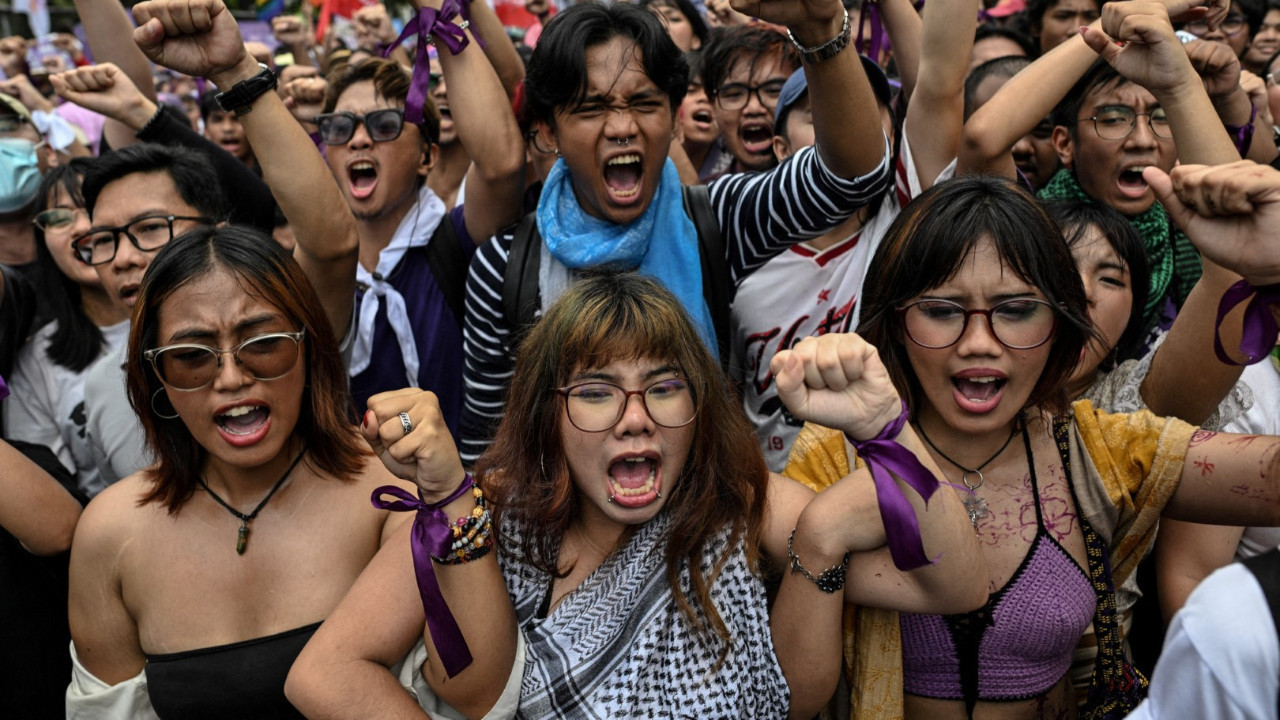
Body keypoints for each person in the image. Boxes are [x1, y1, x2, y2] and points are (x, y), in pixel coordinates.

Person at [287, 272, 986, 718]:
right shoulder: (488, 510)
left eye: (663, 385)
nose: (634, 417)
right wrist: (447, 498)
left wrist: (885, 428)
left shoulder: (739, 500)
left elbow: (958, 585)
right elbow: (323, 674)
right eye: (595, 392)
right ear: (547, 416)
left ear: (700, 404)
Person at [785, 168, 1280, 719]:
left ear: (1062, 320)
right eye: (941, 310)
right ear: (895, 320)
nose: (978, 343)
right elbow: (792, 700)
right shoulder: (832, 458)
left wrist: (1274, 274)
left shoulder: (1103, 452)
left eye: (1016, 311)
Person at [460, 0, 893, 463]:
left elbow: (851, 180)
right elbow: (489, 453)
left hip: (706, 519)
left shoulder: (717, 221)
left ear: (673, 118)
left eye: (645, 103)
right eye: (592, 108)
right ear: (548, 132)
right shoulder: (506, 265)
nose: (623, 127)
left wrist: (820, 27)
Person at [65, 227, 414, 717]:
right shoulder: (110, 533)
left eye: (264, 343)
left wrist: (456, 495)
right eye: (190, 357)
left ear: (309, 345)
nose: (231, 377)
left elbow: (468, 689)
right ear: (157, 377)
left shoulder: (391, 486)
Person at [3, 160, 130, 498]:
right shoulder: (35, 364)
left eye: (93, 208)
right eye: (59, 217)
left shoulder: (187, 319)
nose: (82, 227)